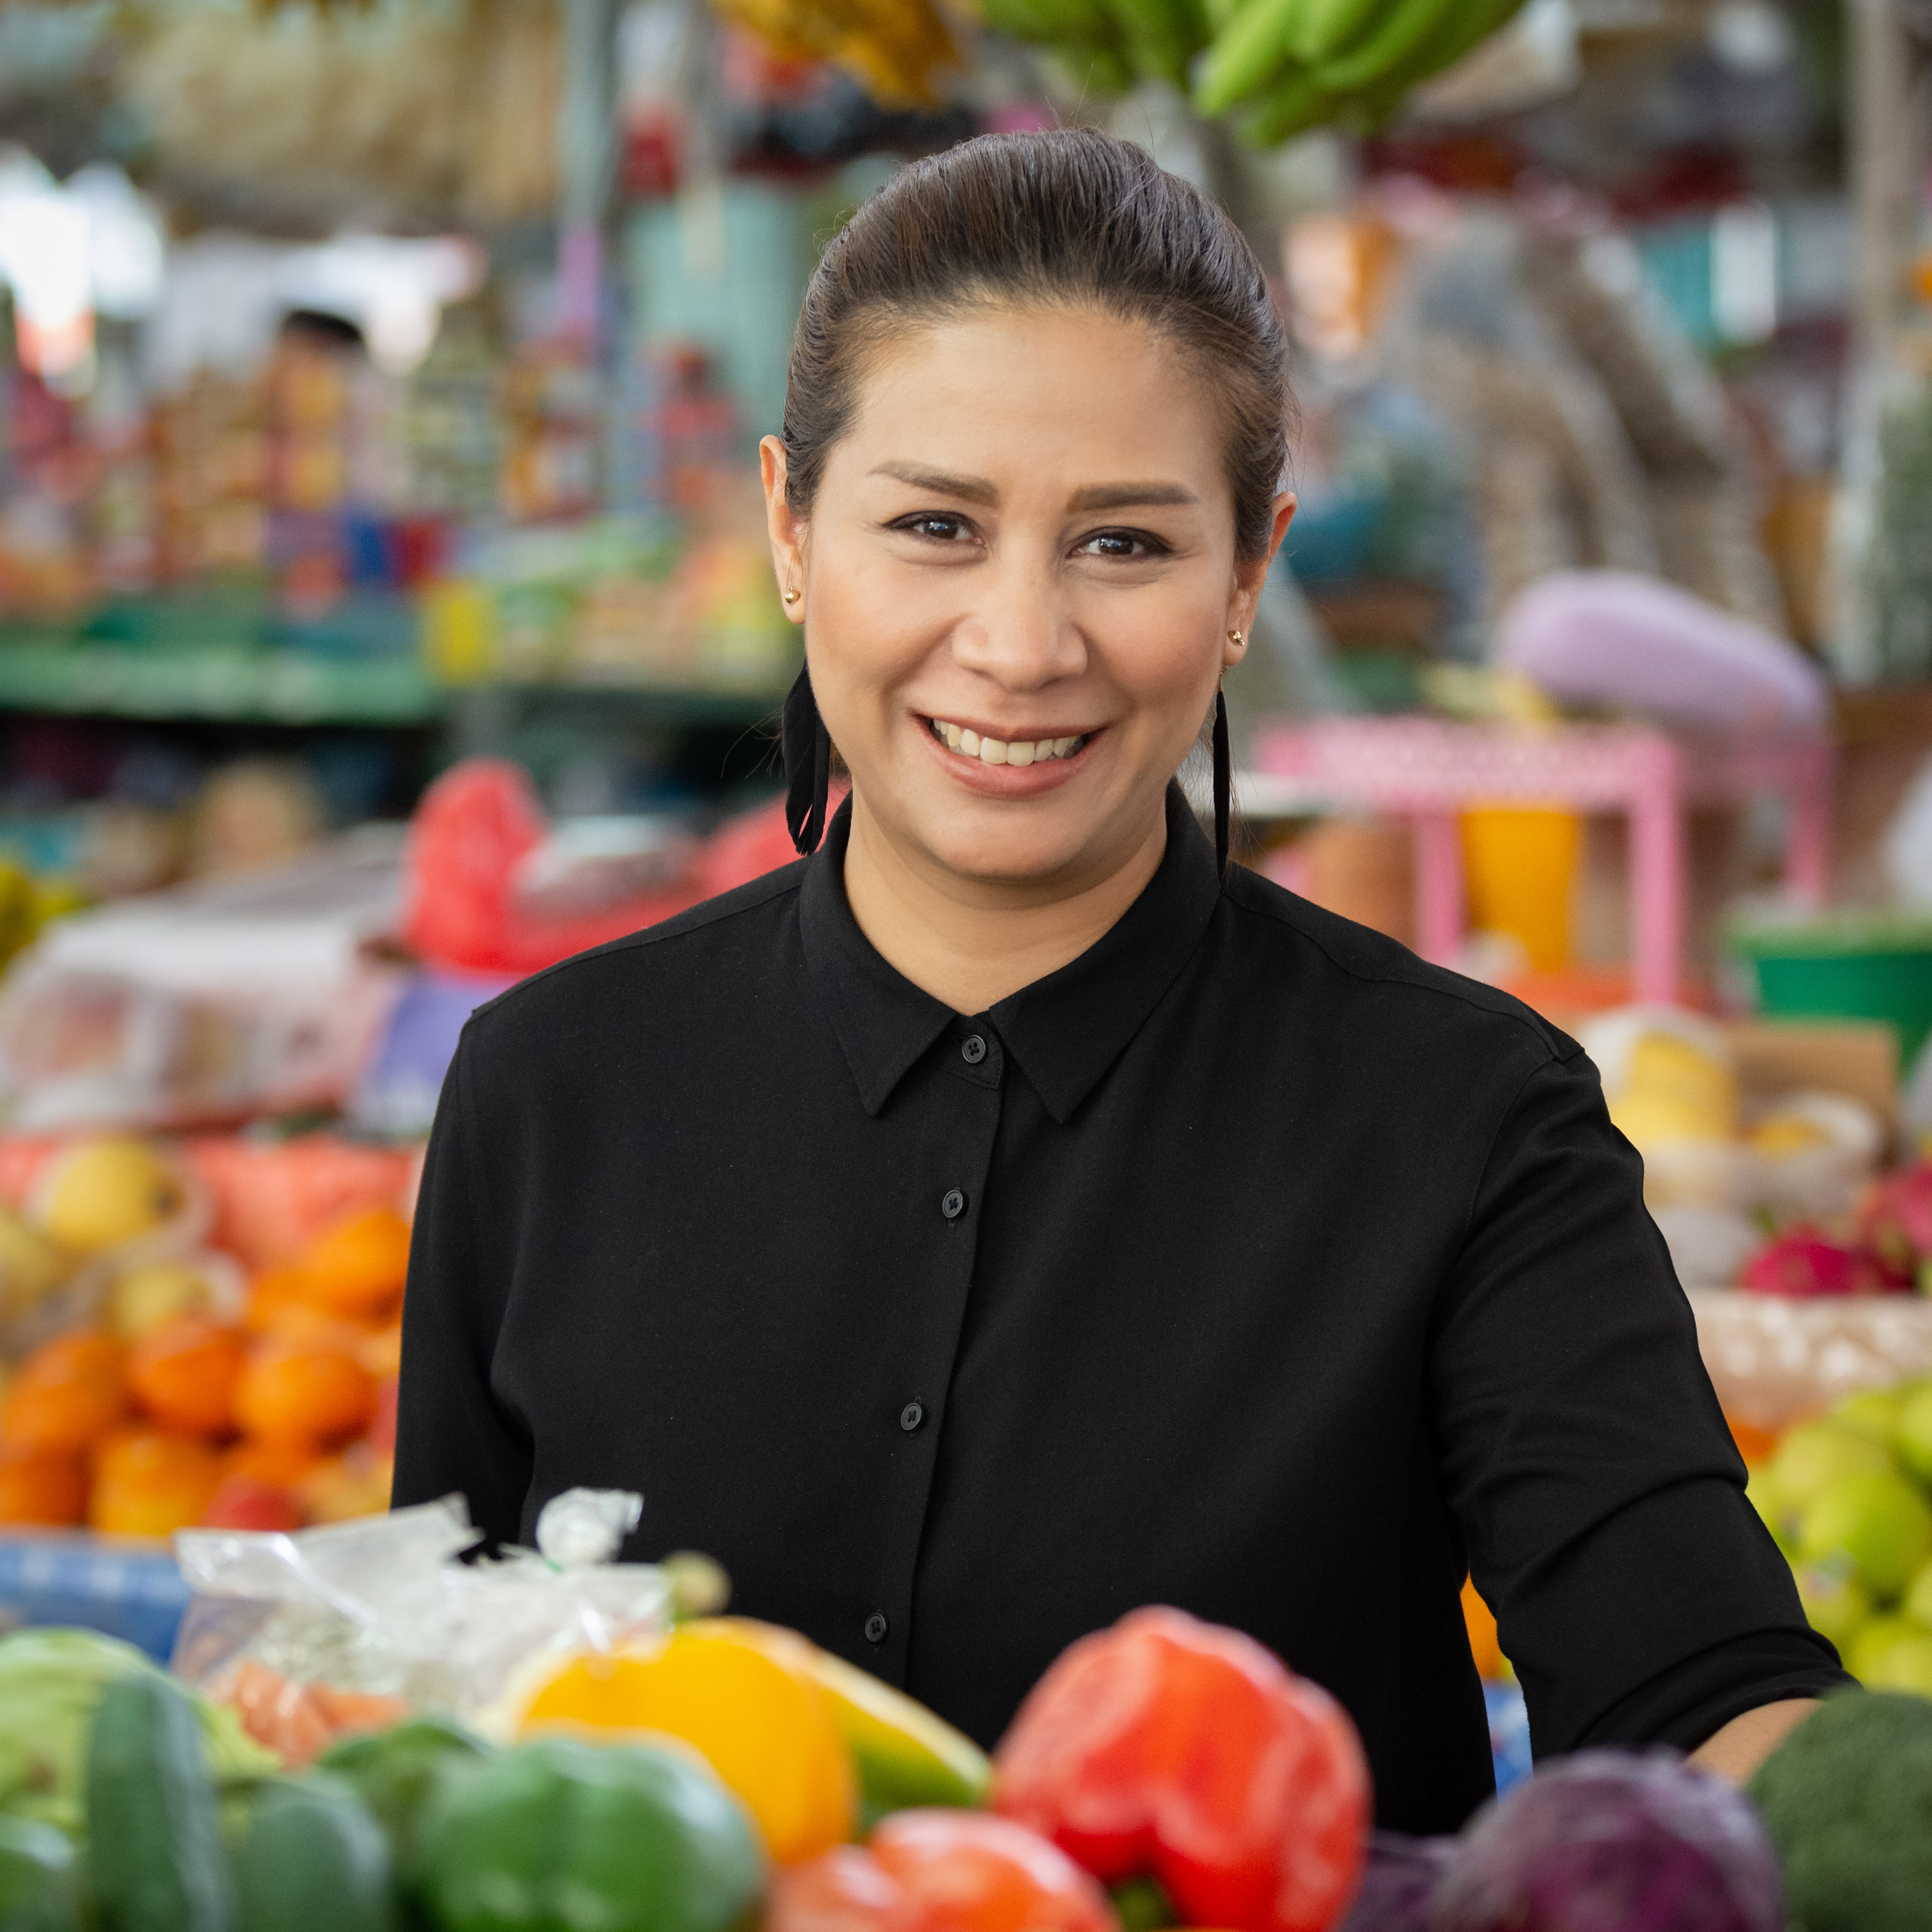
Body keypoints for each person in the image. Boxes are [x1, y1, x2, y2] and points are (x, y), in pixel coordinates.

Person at [393, 128, 1846, 1830]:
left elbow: (1701, 1692)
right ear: (792, 528)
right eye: (935, 524)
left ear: (1247, 574)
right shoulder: (550, 1091)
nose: (1020, 644)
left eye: (1127, 547)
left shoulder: (1469, 1126)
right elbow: (440, 1714)